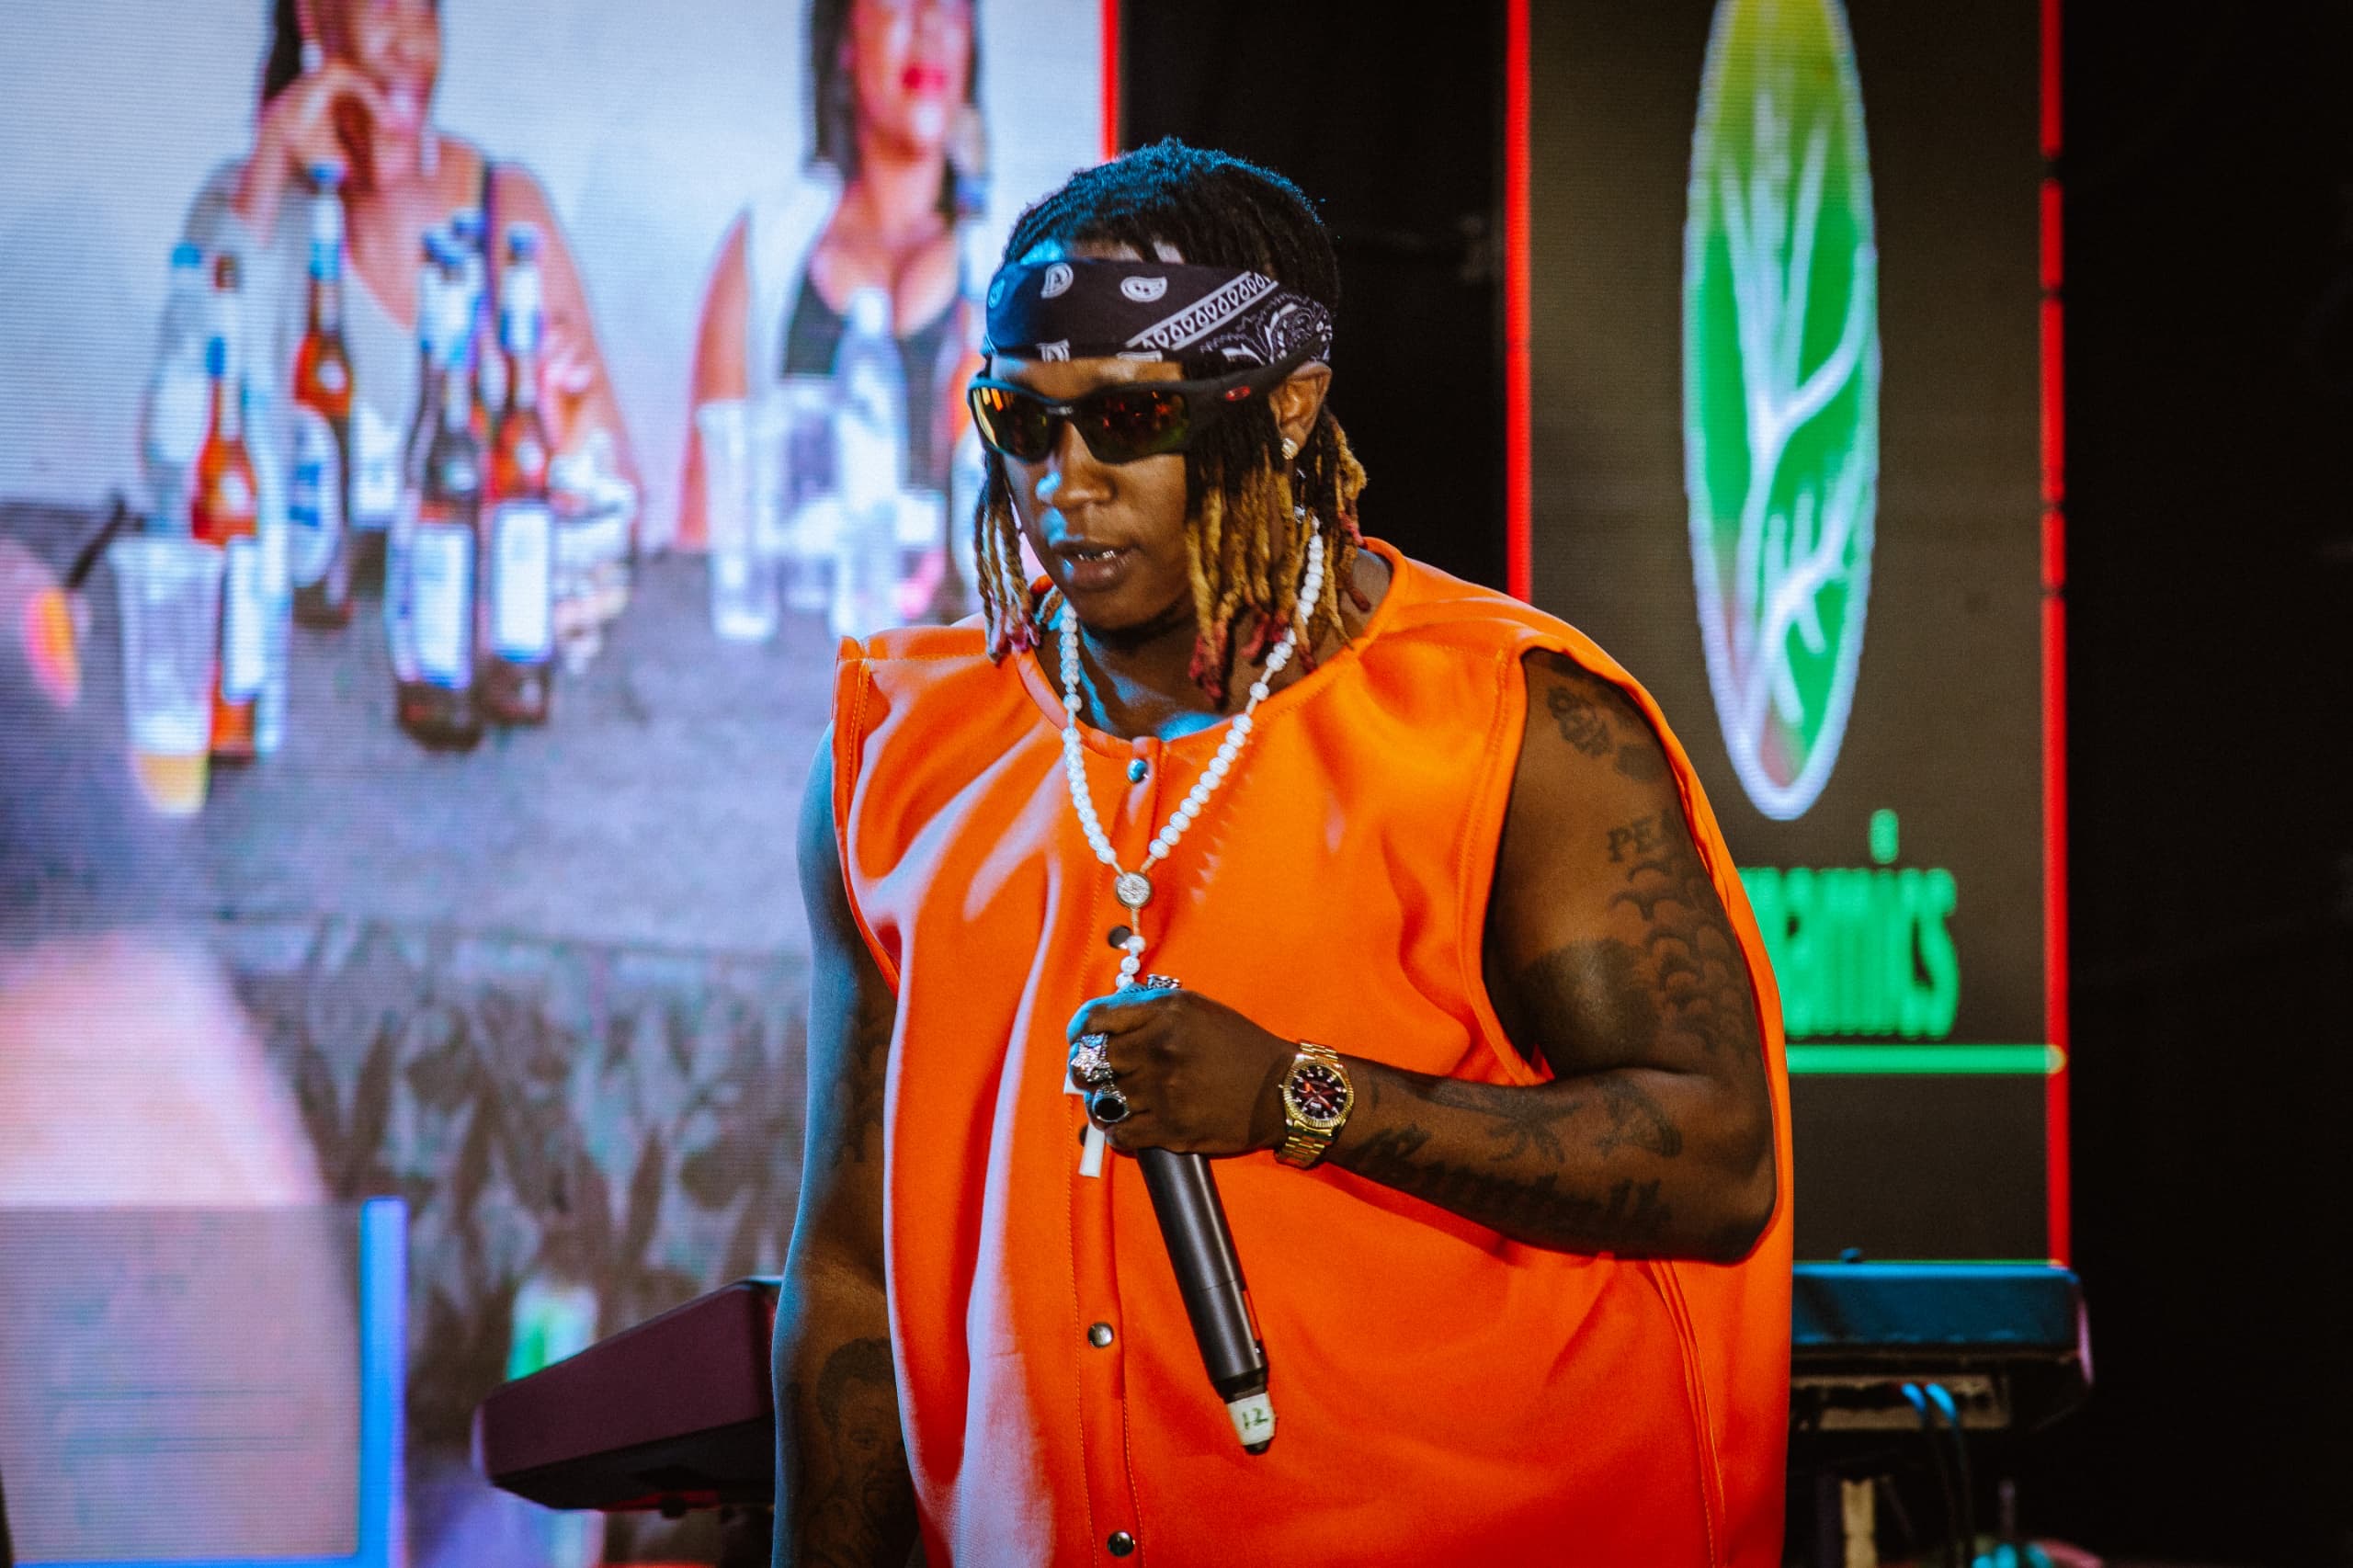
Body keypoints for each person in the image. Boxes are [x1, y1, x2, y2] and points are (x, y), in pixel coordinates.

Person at [772, 140, 1794, 1565]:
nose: (1066, 478)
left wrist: (1300, 1096)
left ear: (1288, 404)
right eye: (1022, 418)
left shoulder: (1509, 721)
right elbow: (850, 1274)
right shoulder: (898, 750)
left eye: (1130, 416)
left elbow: (1716, 1159)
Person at [153, 0, 639, 534]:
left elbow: (620, 503)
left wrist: (567, 427)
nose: (411, 45)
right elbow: (175, 463)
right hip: (293, 586)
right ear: (314, 16)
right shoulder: (240, 207)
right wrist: (274, 153)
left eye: (425, 10)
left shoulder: (505, 213)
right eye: (385, 7)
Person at [682, 0, 984, 604]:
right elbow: (705, 534)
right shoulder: (766, 246)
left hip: (962, 647)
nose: (928, 23)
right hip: (797, 643)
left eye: (951, 5)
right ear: (844, 38)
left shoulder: (1015, 257)